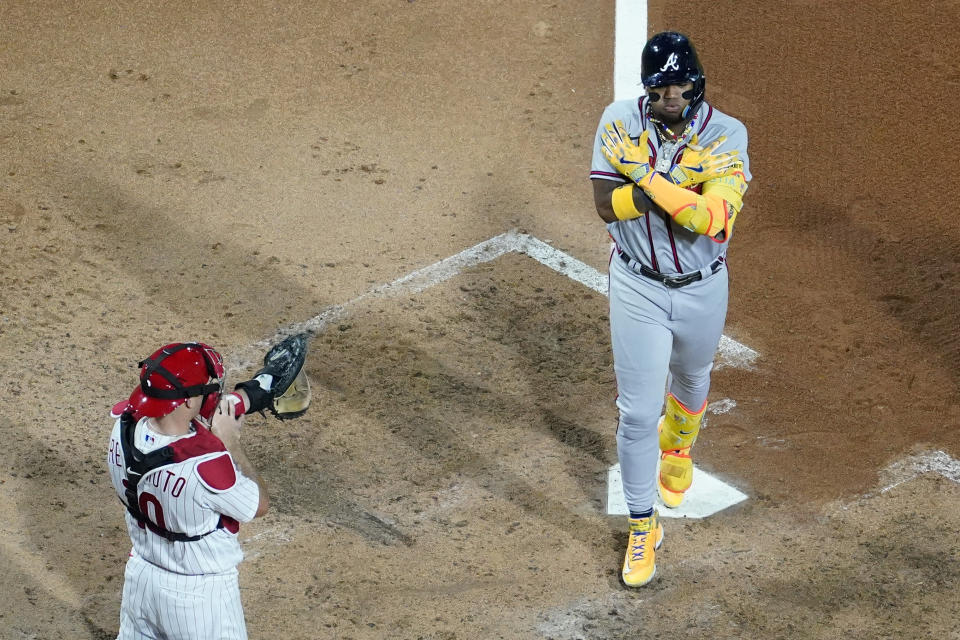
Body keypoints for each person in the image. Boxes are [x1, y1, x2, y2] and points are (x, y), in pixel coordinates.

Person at [589, 31, 751, 587]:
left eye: (679, 89)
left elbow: (710, 220)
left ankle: (678, 446)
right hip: (637, 286)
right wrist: (681, 184)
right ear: (648, 90)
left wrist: (649, 176)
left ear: (696, 85)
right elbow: (606, 208)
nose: (669, 100)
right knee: (636, 413)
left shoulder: (729, 134)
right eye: (660, 91)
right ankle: (642, 525)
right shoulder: (618, 122)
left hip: (703, 286)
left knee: (693, 377)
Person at [106, 340, 304, 639]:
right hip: (198, 600)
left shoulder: (123, 427)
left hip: (141, 581)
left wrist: (254, 393)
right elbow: (259, 504)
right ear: (187, 401)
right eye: (204, 388)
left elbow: (179, 426)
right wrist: (229, 442)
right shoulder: (206, 467)